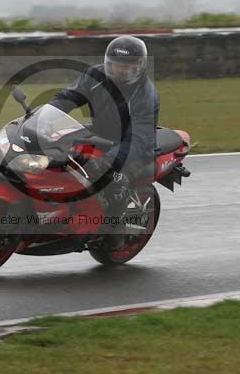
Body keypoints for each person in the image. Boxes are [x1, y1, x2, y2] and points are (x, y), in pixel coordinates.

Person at [49, 35, 160, 231]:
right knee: (58, 152)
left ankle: (113, 226)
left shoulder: (145, 94)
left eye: (126, 67)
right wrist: (45, 115)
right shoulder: (95, 76)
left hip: (131, 145)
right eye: (115, 65)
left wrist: (108, 162)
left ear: (139, 67)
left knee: (112, 180)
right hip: (100, 134)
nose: (119, 70)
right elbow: (69, 97)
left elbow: (139, 139)